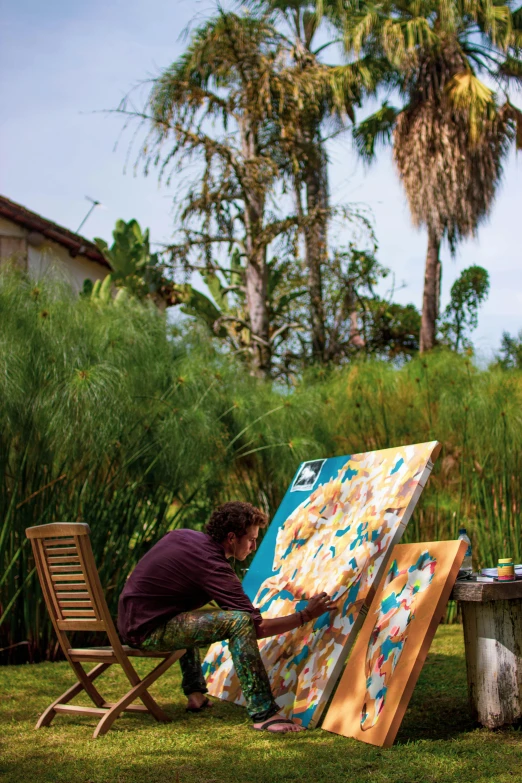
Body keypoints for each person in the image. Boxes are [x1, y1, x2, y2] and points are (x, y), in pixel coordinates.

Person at [118, 500, 337, 733]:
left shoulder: (184, 536)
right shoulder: (212, 564)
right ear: (232, 538)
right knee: (239, 622)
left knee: (194, 616)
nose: (254, 546)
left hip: (134, 620)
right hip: (146, 630)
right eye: (251, 540)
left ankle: (195, 694)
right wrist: (306, 615)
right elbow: (256, 627)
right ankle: (264, 714)